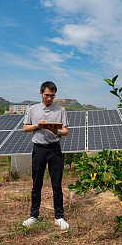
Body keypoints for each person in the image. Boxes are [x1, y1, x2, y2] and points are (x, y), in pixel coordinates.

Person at [22, 81, 70, 230]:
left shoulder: (61, 110)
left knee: (57, 184)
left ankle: (59, 217)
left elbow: (65, 131)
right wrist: (37, 125)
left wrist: (56, 131)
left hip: (55, 149)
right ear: (41, 93)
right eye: (47, 95)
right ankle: (33, 216)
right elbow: (25, 128)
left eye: (52, 96)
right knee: (36, 184)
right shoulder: (33, 109)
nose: (49, 98)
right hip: (39, 149)